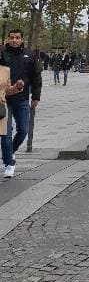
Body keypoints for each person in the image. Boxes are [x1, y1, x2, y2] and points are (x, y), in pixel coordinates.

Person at [1, 29, 42, 179]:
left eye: (17, 38)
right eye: (11, 38)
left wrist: (36, 96)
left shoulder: (30, 55)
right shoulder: (2, 53)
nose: (14, 40)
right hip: (4, 99)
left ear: (22, 40)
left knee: (23, 130)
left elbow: (36, 77)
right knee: (6, 133)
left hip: (22, 99)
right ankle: (9, 163)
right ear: (7, 39)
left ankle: (10, 150)